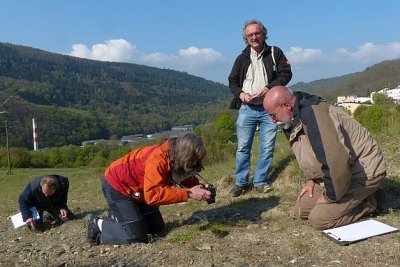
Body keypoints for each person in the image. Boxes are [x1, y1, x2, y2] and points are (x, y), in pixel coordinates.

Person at [263, 86, 387, 230]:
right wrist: (311, 179)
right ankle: (355, 198)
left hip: (363, 173)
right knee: (301, 209)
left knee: (320, 219)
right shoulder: (293, 118)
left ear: (286, 105)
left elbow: (335, 161)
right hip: (342, 175)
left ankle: (372, 201)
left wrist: (330, 197)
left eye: (273, 115)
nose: (273, 120)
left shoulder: (314, 115)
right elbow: (312, 153)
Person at [85, 132, 213, 245]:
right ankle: (96, 224)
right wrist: (189, 193)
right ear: (184, 156)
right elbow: (152, 196)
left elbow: (183, 172)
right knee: (137, 236)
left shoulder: (174, 155)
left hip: (139, 191)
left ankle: (117, 217)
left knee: (157, 227)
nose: (193, 165)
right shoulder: (157, 160)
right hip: (117, 186)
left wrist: (199, 187)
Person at [228, 19, 292, 197]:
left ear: (264, 34)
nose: (254, 37)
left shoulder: (274, 53)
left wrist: (269, 88)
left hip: (269, 109)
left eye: (257, 33)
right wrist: (242, 95)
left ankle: (260, 181)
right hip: (247, 108)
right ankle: (240, 182)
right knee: (243, 147)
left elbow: (287, 73)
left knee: (267, 146)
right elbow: (232, 81)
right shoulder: (241, 58)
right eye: (250, 35)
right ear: (246, 38)